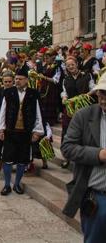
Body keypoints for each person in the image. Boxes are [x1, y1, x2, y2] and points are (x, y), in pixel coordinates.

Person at [61, 74, 106, 243]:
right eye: (101, 93)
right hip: (98, 198)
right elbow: (67, 148)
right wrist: (98, 154)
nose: (103, 99)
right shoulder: (84, 115)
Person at [0, 64, 44, 196]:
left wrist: (37, 131)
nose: (17, 81)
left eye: (20, 79)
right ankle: (6, 185)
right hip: (11, 131)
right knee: (7, 158)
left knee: (23, 159)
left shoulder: (33, 94)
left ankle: (17, 184)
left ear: (27, 80)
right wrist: (0, 129)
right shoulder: (8, 92)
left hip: (26, 132)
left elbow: (38, 113)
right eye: (16, 79)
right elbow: (2, 112)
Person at [60, 57, 95, 169]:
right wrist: (64, 98)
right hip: (70, 108)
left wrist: (84, 96)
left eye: (72, 64)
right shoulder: (66, 79)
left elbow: (93, 89)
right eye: (68, 65)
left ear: (77, 64)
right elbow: (64, 92)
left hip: (84, 107)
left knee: (85, 131)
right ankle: (67, 157)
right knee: (67, 131)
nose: (70, 67)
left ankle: (85, 156)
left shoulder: (87, 75)